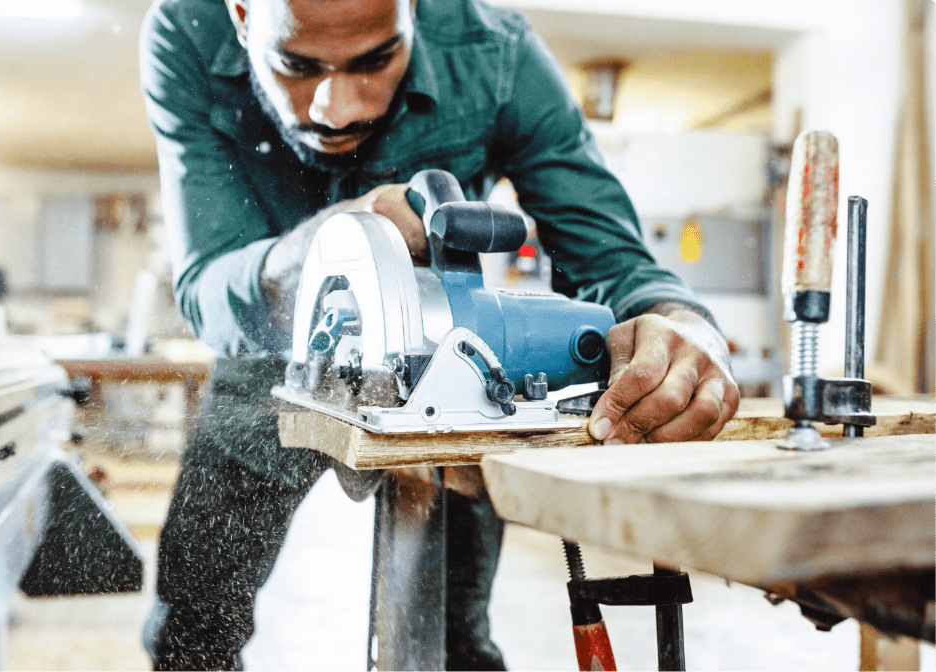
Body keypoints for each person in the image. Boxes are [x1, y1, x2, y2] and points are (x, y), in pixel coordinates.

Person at [138, 0, 740, 667]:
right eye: (295, 64)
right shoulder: (184, 32)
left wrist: (681, 329)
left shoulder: (497, 51)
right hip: (272, 358)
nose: (338, 109)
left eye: (375, 59)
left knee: (453, 641)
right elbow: (207, 292)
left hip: (452, 363)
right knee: (192, 631)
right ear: (243, 14)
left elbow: (612, 258)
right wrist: (336, 240)